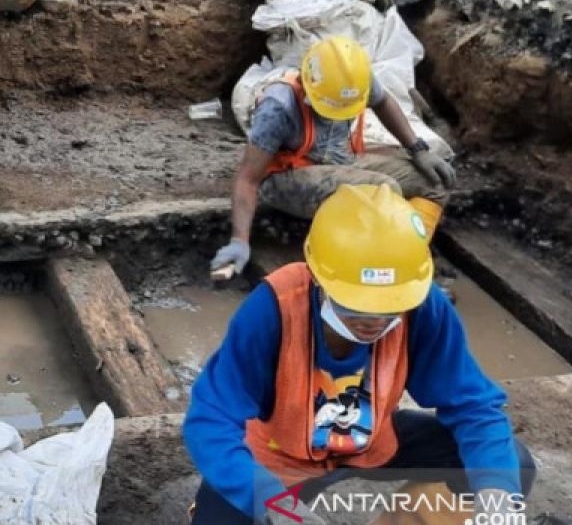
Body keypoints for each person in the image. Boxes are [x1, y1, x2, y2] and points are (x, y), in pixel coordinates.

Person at [184, 184, 536, 524]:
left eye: (390, 306)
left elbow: (473, 406)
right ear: (318, 277)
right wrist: (274, 503)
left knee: (509, 467)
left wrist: (498, 499)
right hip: (281, 454)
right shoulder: (273, 310)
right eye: (358, 304)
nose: (374, 320)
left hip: (368, 439)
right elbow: (211, 419)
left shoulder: (423, 307)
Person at [211, 35, 456, 279]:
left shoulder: (354, 80)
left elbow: (383, 102)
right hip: (285, 178)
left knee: (435, 180)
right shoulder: (278, 107)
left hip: (340, 162)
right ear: (307, 86)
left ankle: (407, 254)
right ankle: (375, 266)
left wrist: (417, 149)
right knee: (383, 190)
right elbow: (248, 179)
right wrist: (239, 240)